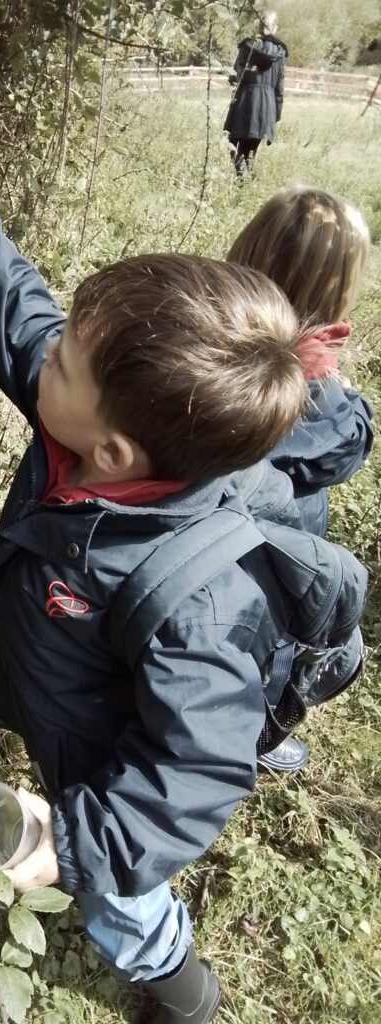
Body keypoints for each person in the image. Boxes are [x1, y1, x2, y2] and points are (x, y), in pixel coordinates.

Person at [0, 113, 311, 1023]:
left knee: (122, 900)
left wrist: (76, 845)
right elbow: (18, 314)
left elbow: (190, 768)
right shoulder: (92, 429)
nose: (48, 354)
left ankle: (182, 993)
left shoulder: (198, 600)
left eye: (68, 358)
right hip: (69, 710)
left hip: (101, 773)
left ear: (112, 451)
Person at [227, 184, 374, 773]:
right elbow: (345, 433)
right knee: (277, 639)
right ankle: (256, 743)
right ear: (338, 295)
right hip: (275, 567)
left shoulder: (197, 356)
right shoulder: (326, 405)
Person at [223, 11, 287, 176]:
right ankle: (245, 179)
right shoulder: (280, 51)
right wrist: (277, 115)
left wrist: (233, 79)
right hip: (267, 106)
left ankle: (243, 180)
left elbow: (235, 76)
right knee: (250, 149)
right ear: (275, 27)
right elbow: (279, 87)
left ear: (257, 25)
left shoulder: (247, 46)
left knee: (232, 142)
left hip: (244, 101)